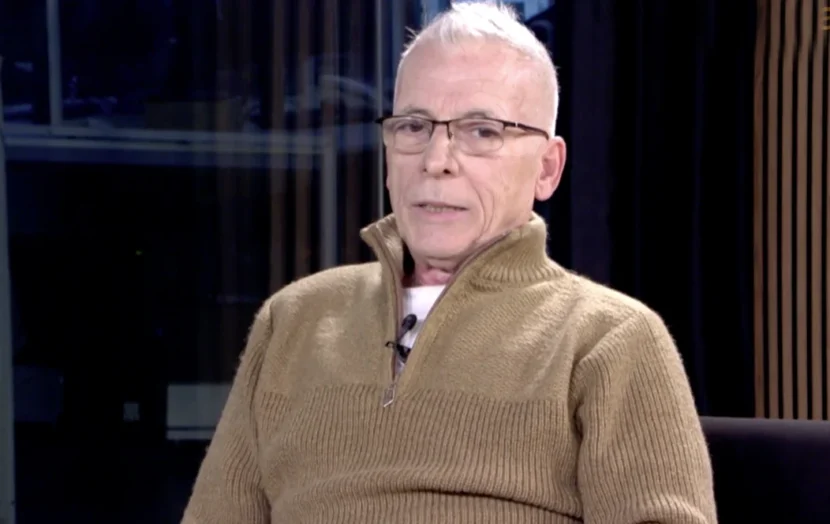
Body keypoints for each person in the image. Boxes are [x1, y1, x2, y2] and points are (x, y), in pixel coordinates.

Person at [181, 2, 718, 523]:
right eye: (414, 127)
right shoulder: (294, 319)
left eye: (482, 131)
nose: (435, 161)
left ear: (547, 169)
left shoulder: (610, 338)